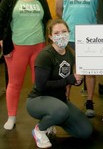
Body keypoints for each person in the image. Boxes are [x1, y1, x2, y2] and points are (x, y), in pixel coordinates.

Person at [0, 0, 52, 130]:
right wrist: (4, 44)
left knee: (41, 83)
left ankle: (45, 117)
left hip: (39, 47)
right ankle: (11, 116)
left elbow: (48, 20)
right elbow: (1, 22)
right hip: (17, 48)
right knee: (15, 84)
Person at [26, 19, 93, 149]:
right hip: (37, 100)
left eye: (64, 31)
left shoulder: (70, 53)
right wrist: (69, 80)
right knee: (61, 110)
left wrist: (78, 80)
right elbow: (41, 86)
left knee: (85, 131)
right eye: (56, 33)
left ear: (69, 32)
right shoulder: (45, 55)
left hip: (59, 101)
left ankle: (52, 120)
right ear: (50, 36)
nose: (61, 35)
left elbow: (72, 78)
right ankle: (39, 130)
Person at [55, 0, 103, 118]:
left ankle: (89, 101)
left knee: (89, 70)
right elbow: (59, 11)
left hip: (89, 37)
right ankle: (65, 99)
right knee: (67, 70)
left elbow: (100, 12)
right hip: (70, 38)